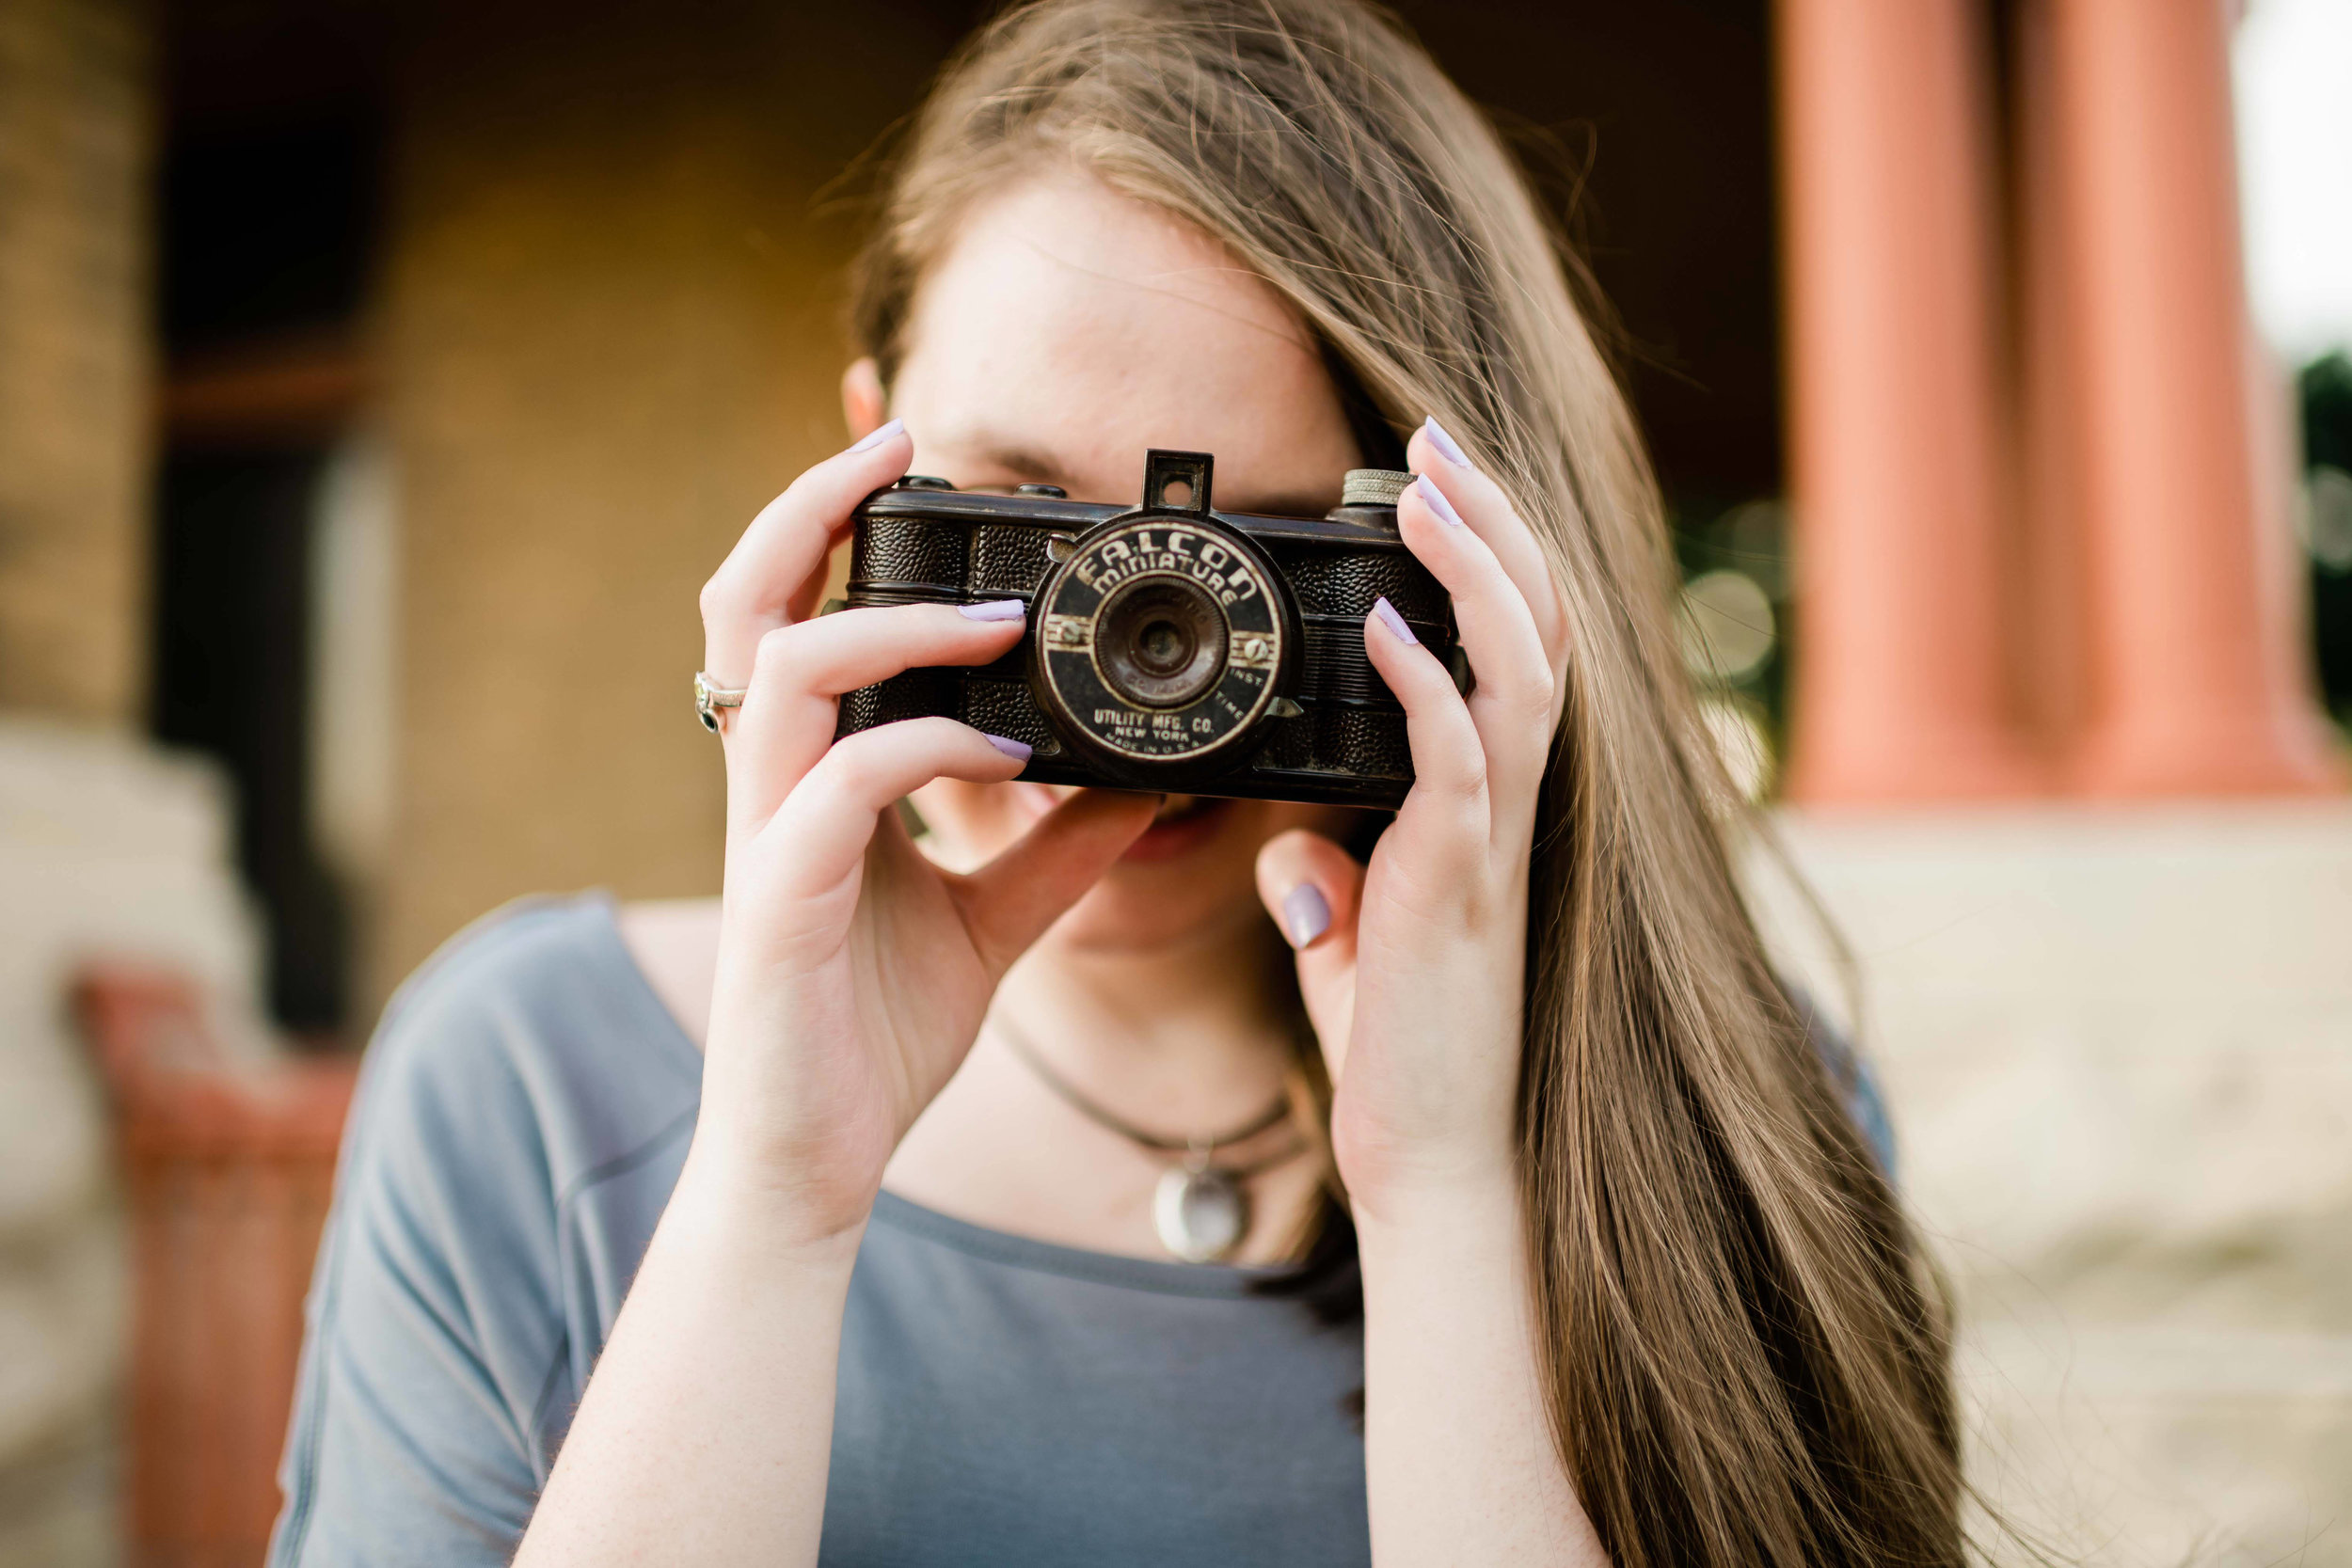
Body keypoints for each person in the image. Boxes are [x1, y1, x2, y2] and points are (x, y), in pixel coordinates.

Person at [268, 2, 1963, 1564]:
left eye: (1274, 557)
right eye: (1032, 523)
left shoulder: (1734, 1132)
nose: (1147, 664)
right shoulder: (528, 1091)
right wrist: (773, 1193)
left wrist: (1450, 1196)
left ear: (1485, 573)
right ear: (868, 465)